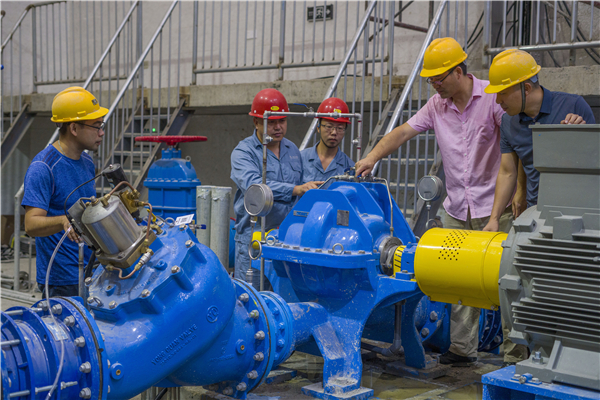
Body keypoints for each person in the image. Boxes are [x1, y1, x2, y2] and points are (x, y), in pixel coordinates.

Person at [354, 37, 527, 366]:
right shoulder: (437, 106)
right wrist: (372, 157)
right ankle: (462, 349)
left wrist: (520, 190)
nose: (434, 85)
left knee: (506, 284)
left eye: (438, 78)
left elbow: (515, 149)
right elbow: (403, 132)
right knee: (458, 280)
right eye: (430, 80)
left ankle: (514, 358)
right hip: (457, 209)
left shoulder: (493, 98)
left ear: (458, 72)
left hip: (496, 209)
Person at [483, 49, 595, 234]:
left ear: (526, 88)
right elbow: (507, 172)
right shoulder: (508, 122)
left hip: (577, 214)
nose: (497, 100)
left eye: (502, 93)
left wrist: (579, 135)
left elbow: (593, 162)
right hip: (535, 213)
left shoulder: (574, 106)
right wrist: (494, 219)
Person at [231, 88, 322, 286]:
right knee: (250, 295)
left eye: (282, 121)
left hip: (286, 239)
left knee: (282, 295)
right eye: (271, 122)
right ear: (256, 122)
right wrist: (295, 189)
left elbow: (301, 189)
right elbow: (254, 186)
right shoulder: (243, 152)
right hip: (254, 239)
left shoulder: (292, 150)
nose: (278, 127)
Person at [22, 87, 108, 298]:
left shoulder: (86, 162)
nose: (101, 132)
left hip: (91, 270)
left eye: (102, 125)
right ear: (74, 128)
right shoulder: (44, 167)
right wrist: (62, 220)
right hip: (61, 281)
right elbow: (31, 224)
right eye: (96, 126)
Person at [301, 97, 355, 186]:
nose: (334, 132)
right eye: (329, 126)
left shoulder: (350, 168)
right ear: (318, 127)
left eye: (340, 128)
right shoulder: (300, 159)